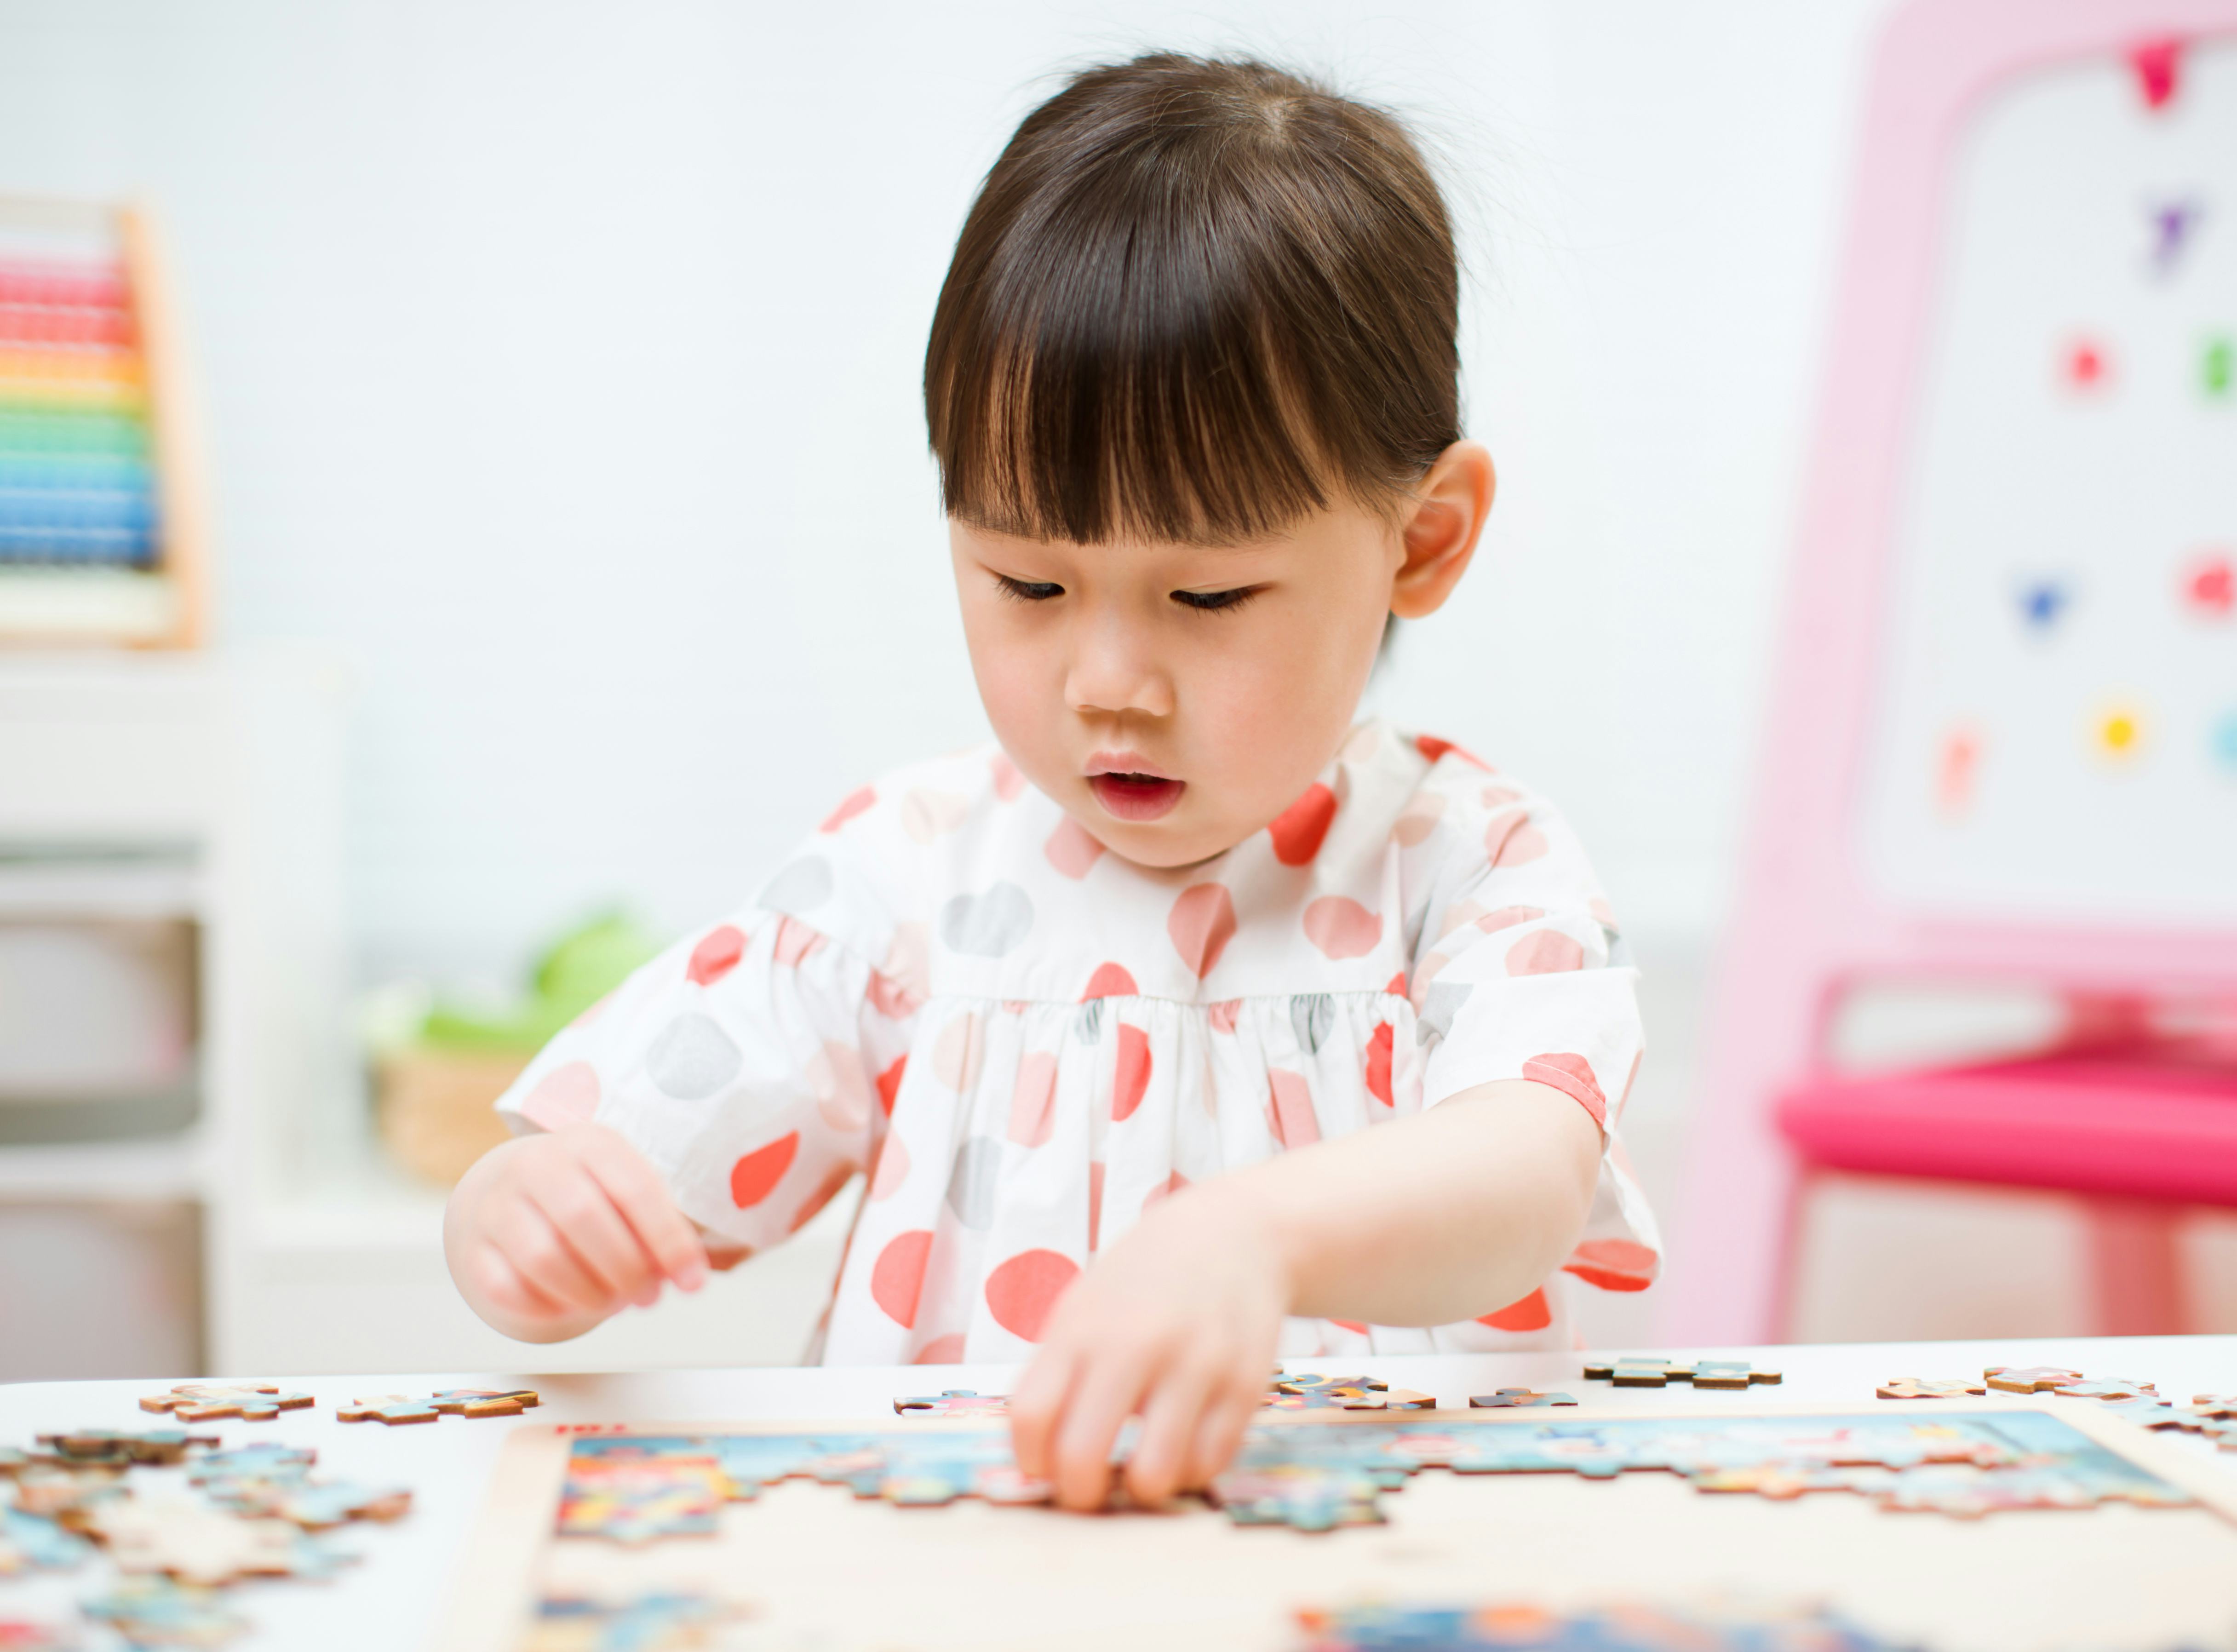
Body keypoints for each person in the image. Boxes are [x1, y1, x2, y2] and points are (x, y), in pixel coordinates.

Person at [444, 50, 1658, 1513]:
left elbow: (1523, 1178)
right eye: (1027, 580)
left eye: (1205, 597)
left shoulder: (1473, 861)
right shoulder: (900, 877)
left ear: (1420, 540)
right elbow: (616, 1165)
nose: (1107, 681)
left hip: (1375, 1578)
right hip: (962, 1581)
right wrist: (520, 1227)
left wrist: (1250, 1238)